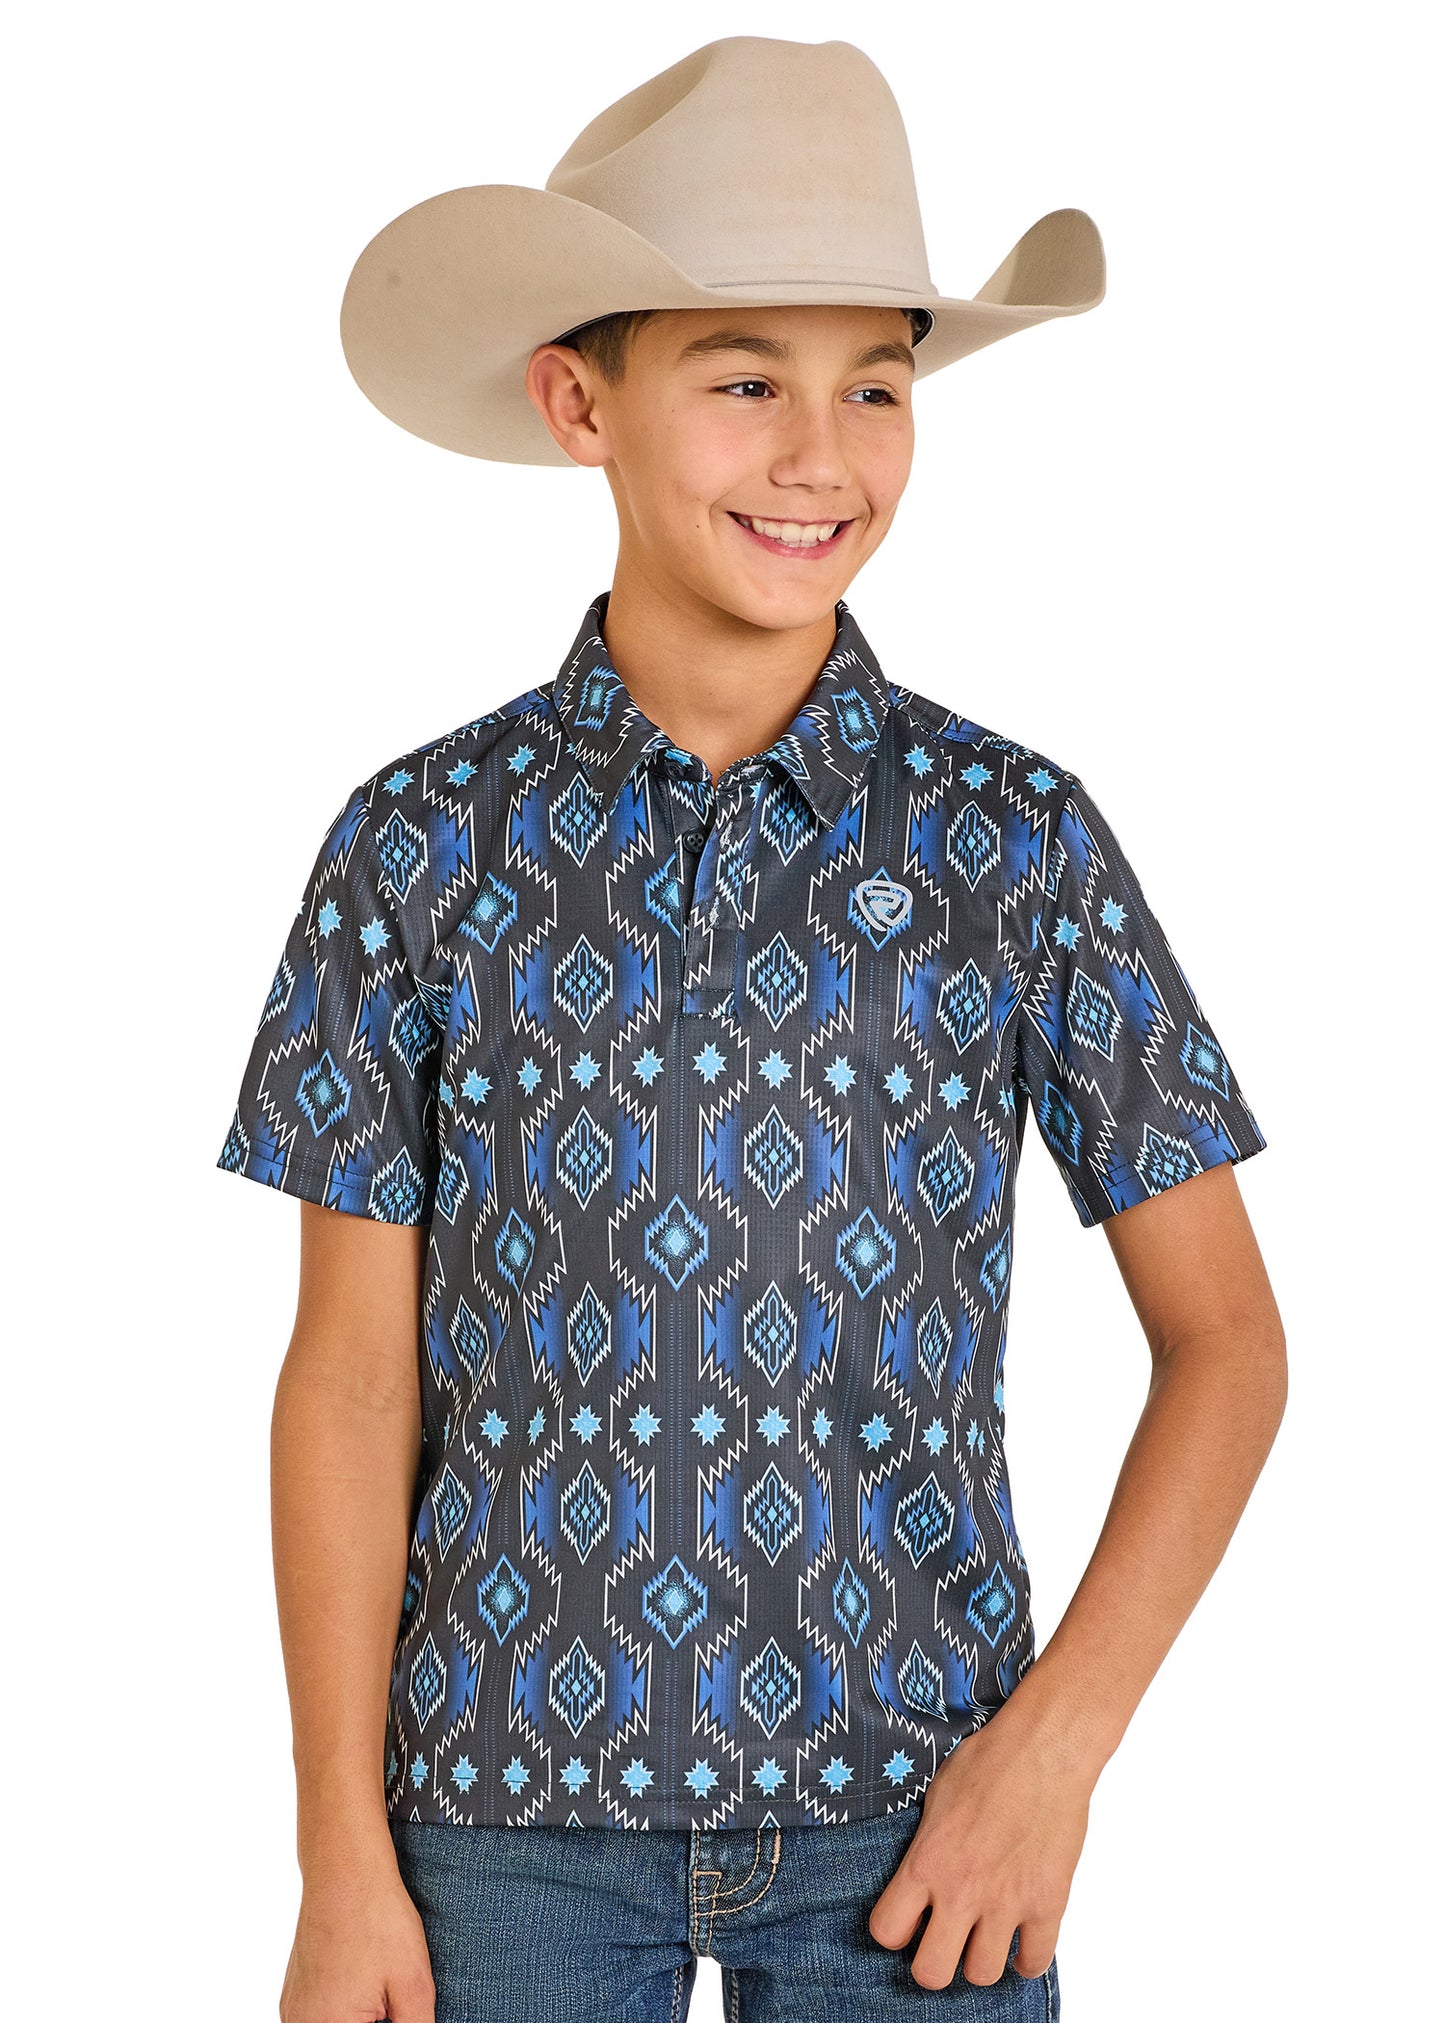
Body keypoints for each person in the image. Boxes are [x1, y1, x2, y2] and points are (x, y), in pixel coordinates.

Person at [216, 35, 1286, 2023]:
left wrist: (1051, 1760)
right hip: (498, 1828)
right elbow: (349, 1383)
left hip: (921, 1824)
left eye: (874, 385)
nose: (820, 455)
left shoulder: (1009, 841)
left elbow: (1226, 1340)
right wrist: (337, 1856)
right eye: (741, 380)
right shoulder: (418, 846)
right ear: (578, 403)